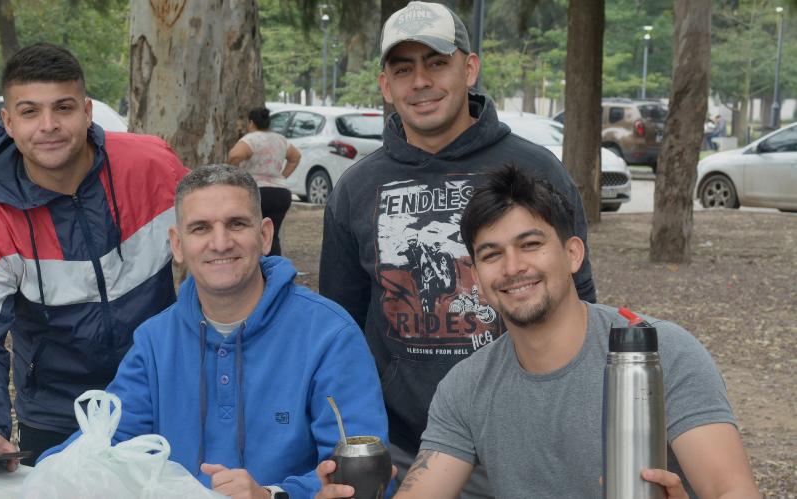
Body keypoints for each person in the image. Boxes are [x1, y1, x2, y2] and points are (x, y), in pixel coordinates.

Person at [316, 164, 760, 499]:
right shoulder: (467, 386)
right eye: (491, 254)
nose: (513, 268)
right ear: (476, 275)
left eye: (530, 245)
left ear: (572, 254)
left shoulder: (659, 353)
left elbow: (732, 488)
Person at [317, 2, 596, 494]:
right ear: (386, 85)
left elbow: (582, 305)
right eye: (404, 69)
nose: (420, 81)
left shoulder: (537, 170)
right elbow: (340, 325)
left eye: (437, 62)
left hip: (523, 439)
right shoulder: (355, 189)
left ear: (469, 68)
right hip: (408, 447)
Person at [40, 165, 388, 499]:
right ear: (177, 244)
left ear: (265, 235)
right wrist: (47, 470)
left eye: (236, 224)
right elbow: (105, 444)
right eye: (200, 228)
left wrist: (272, 495)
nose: (220, 243)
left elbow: (361, 473)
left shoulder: (329, 334)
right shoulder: (155, 341)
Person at [0, 43, 187, 469]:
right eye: (29, 112)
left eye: (63, 107)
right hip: (58, 412)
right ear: (7, 122)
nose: (48, 125)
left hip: (165, 394)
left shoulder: (152, 165)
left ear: (87, 111)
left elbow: (218, 249)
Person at [228, 107, 301, 256]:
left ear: (251, 123)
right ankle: (275, 274)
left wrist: (235, 177)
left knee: (252, 235)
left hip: (257, 192)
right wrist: (281, 176)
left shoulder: (251, 139)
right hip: (281, 193)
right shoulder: (279, 139)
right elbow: (296, 156)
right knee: (271, 236)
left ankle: (255, 274)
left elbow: (235, 156)